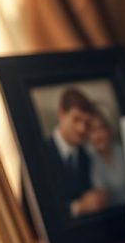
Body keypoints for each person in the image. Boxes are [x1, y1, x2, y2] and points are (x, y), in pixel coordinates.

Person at [46, 87, 109, 218]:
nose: (82, 129)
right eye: (76, 119)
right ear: (61, 114)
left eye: (86, 122)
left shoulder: (86, 156)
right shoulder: (40, 152)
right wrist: (79, 207)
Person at [87, 104, 125, 205]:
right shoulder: (90, 161)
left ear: (109, 130)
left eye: (101, 128)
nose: (97, 136)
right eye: (92, 131)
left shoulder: (124, 152)